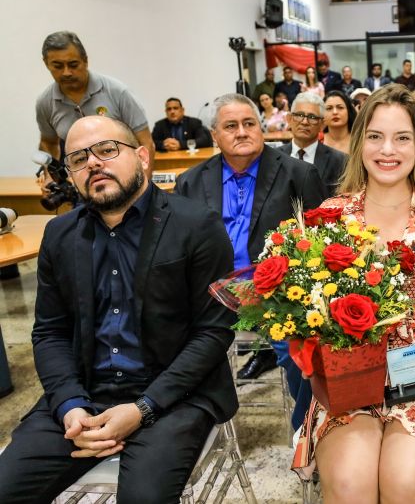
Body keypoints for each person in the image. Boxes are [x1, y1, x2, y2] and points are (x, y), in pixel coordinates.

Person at [0, 115, 238, 502]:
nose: (93, 163)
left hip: (173, 395)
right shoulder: (60, 235)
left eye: (107, 150)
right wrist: (70, 405)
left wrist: (143, 408)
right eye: (78, 159)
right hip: (86, 391)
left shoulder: (197, 226)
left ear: (142, 157)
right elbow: (50, 332)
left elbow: (213, 332)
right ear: (72, 175)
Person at [292, 84, 415, 503]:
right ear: (359, 139)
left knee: (404, 486)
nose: (388, 150)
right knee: (350, 485)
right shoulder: (329, 218)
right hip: (349, 380)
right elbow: (303, 307)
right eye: (376, 136)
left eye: (402, 137)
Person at [174, 93, 325, 427]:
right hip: (209, 295)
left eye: (249, 124)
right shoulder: (192, 181)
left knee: (303, 356)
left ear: (262, 128)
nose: (241, 132)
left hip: (279, 296)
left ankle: (309, 433)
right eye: (230, 126)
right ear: (214, 135)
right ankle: (187, 428)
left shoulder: (298, 174)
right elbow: (179, 247)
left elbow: (319, 244)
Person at [36, 31, 155, 164]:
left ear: (85, 60)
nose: (66, 72)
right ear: (46, 63)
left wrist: (143, 183)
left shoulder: (118, 92)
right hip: (78, 178)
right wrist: (50, 175)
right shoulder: (45, 103)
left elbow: (146, 143)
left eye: (73, 65)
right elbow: (49, 143)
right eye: (57, 66)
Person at [280, 92, 348, 197]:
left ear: (322, 124)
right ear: (289, 119)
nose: (305, 122)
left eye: (312, 117)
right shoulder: (274, 157)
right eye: (299, 115)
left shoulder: (340, 161)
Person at [323, 90, 356, 154]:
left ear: (349, 111)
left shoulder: (359, 141)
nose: (335, 112)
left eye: (340, 107)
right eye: (329, 108)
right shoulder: (316, 141)